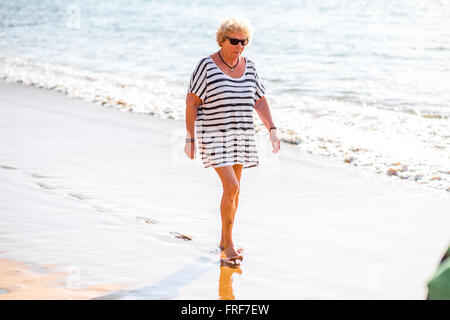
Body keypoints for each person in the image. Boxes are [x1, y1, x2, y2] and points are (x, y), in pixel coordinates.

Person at [184, 16, 280, 267]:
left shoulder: (250, 66)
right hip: (212, 134)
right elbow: (192, 102)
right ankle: (228, 246)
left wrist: (272, 127)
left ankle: (224, 239)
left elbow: (259, 99)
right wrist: (190, 137)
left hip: (241, 135)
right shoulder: (206, 65)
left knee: (235, 191)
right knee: (232, 185)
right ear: (222, 40)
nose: (240, 46)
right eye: (235, 41)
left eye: (244, 41)